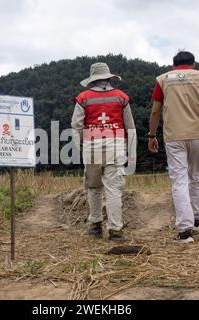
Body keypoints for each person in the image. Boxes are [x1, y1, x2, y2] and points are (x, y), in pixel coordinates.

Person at [148, 51, 199, 243]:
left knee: (179, 180)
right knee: (197, 174)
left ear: (173, 66)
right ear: (193, 64)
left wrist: (152, 135)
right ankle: (197, 219)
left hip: (174, 136)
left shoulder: (163, 79)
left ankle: (185, 230)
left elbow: (155, 110)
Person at [72, 62, 136, 241]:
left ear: (92, 80)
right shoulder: (121, 97)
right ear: (109, 77)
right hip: (115, 145)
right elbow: (130, 127)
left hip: (91, 145)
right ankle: (115, 230)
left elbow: (76, 125)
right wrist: (131, 150)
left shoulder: (83, 97)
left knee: (94, 187)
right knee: (113, 188)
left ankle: (95, 226)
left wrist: (81, 149)